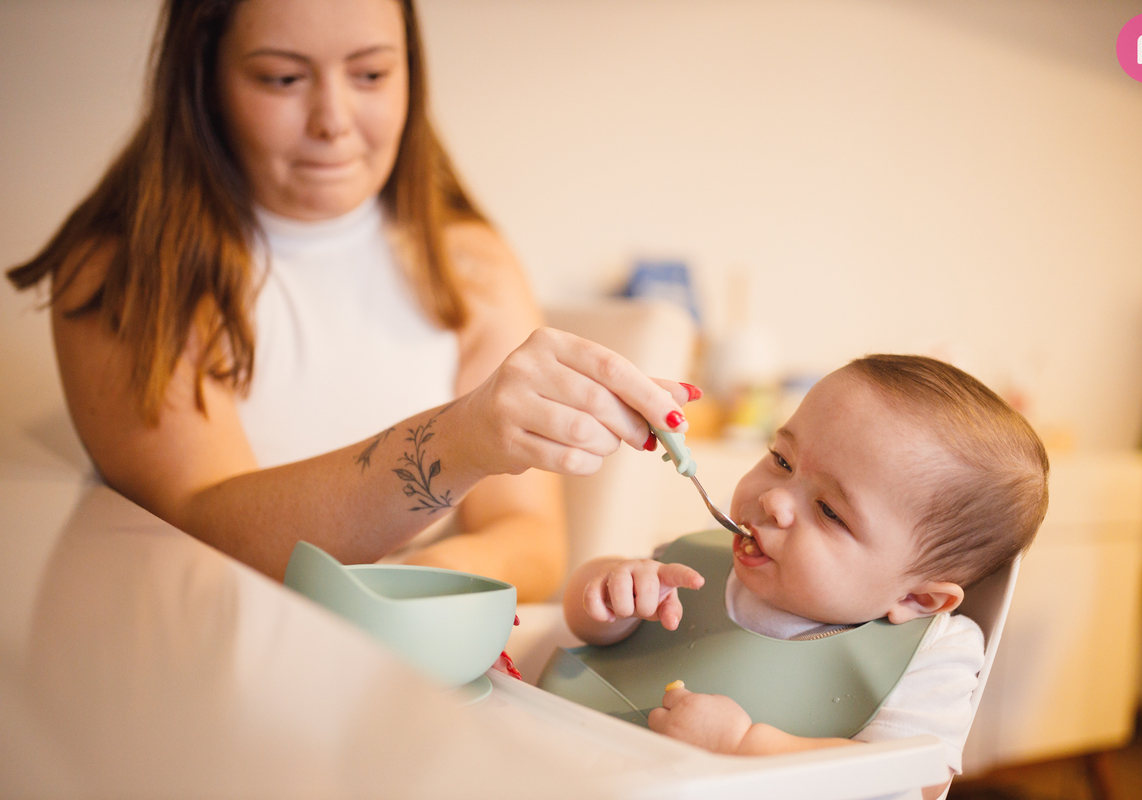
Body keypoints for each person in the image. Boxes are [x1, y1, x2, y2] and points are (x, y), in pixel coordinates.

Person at [5, 0, 697, 599]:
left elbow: (531, 538)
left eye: (370, 74)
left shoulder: (468, 262)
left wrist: (419, 585)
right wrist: (458, 440)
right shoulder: (123, 271)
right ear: (204, 78)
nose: (332, 119)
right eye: (282, 78)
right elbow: (204, 526)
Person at [552, 354, 1048, 799]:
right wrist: (607, 592)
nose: (775, 499)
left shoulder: (931, 653)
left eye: (830, 511)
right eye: (782, 460)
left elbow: (911, 780)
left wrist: (746, 747)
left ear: (917, 597)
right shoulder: (698, 559)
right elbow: (589, 629)